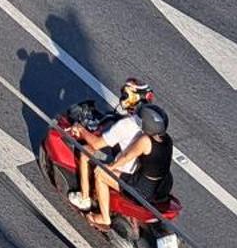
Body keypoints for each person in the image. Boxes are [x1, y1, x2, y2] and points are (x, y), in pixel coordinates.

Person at [68, 79, 152, 212]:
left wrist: (81, 129)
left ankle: (84, 199)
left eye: (124, 95)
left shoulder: (125, 125)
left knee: (85, 152)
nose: (122, 98)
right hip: (139, 170)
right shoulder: (151, 123)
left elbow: (96, 144)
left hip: (123, 170)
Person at [91, 100, 174, 232]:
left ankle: (104, 218)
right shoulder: (168, 140)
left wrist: (110, 168)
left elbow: (125, 157)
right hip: (163, 185)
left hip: (142, 189)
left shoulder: (145, 141)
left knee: (100, 174)